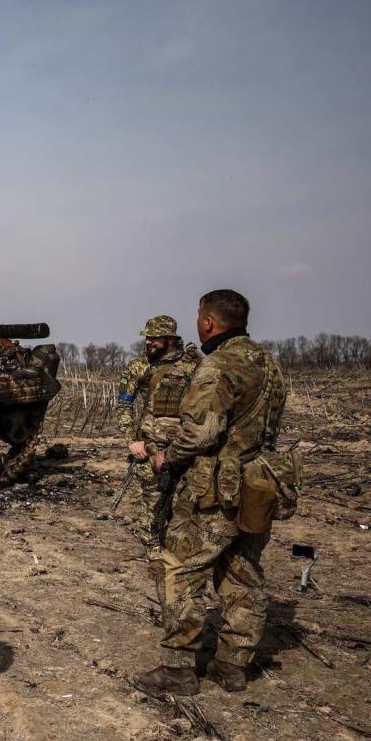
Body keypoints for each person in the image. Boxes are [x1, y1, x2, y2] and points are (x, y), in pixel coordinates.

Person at [133, 290, 287, 695]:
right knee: (242, 571)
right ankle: (232, 665)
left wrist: (167, 456)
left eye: (200, 317)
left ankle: (178, 669)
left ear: (208, 322)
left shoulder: (216, 366)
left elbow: (202, 432)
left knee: (179, 568)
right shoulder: (268, 364)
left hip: (216, 488)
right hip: (259, 482)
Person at [114, 315, 201, 605]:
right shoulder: (139, 365)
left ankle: (180, 561)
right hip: (149, 449)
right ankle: (156, 560)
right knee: (152, 507)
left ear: (170, 339)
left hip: (185, 450)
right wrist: (131, 439)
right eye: (146, 337)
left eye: (154, 338)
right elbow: (124, 403)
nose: (148, 342)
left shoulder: (193, 365)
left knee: (184, 509)